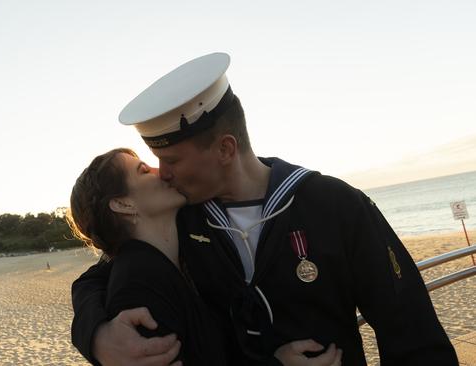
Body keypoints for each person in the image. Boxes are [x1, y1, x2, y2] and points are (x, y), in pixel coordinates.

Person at [71, 53, 458, 365]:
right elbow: (100, 275)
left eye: (171, 159)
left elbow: (413, 333)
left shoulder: (333, 205)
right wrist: (97, 335)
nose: (163, 174)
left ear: (225, 149)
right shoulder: (183, 220)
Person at [68, 148, 341, 365]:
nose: (161, 172)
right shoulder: (138, 286)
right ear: (123, 204)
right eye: (143, 170)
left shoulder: (183, 242)